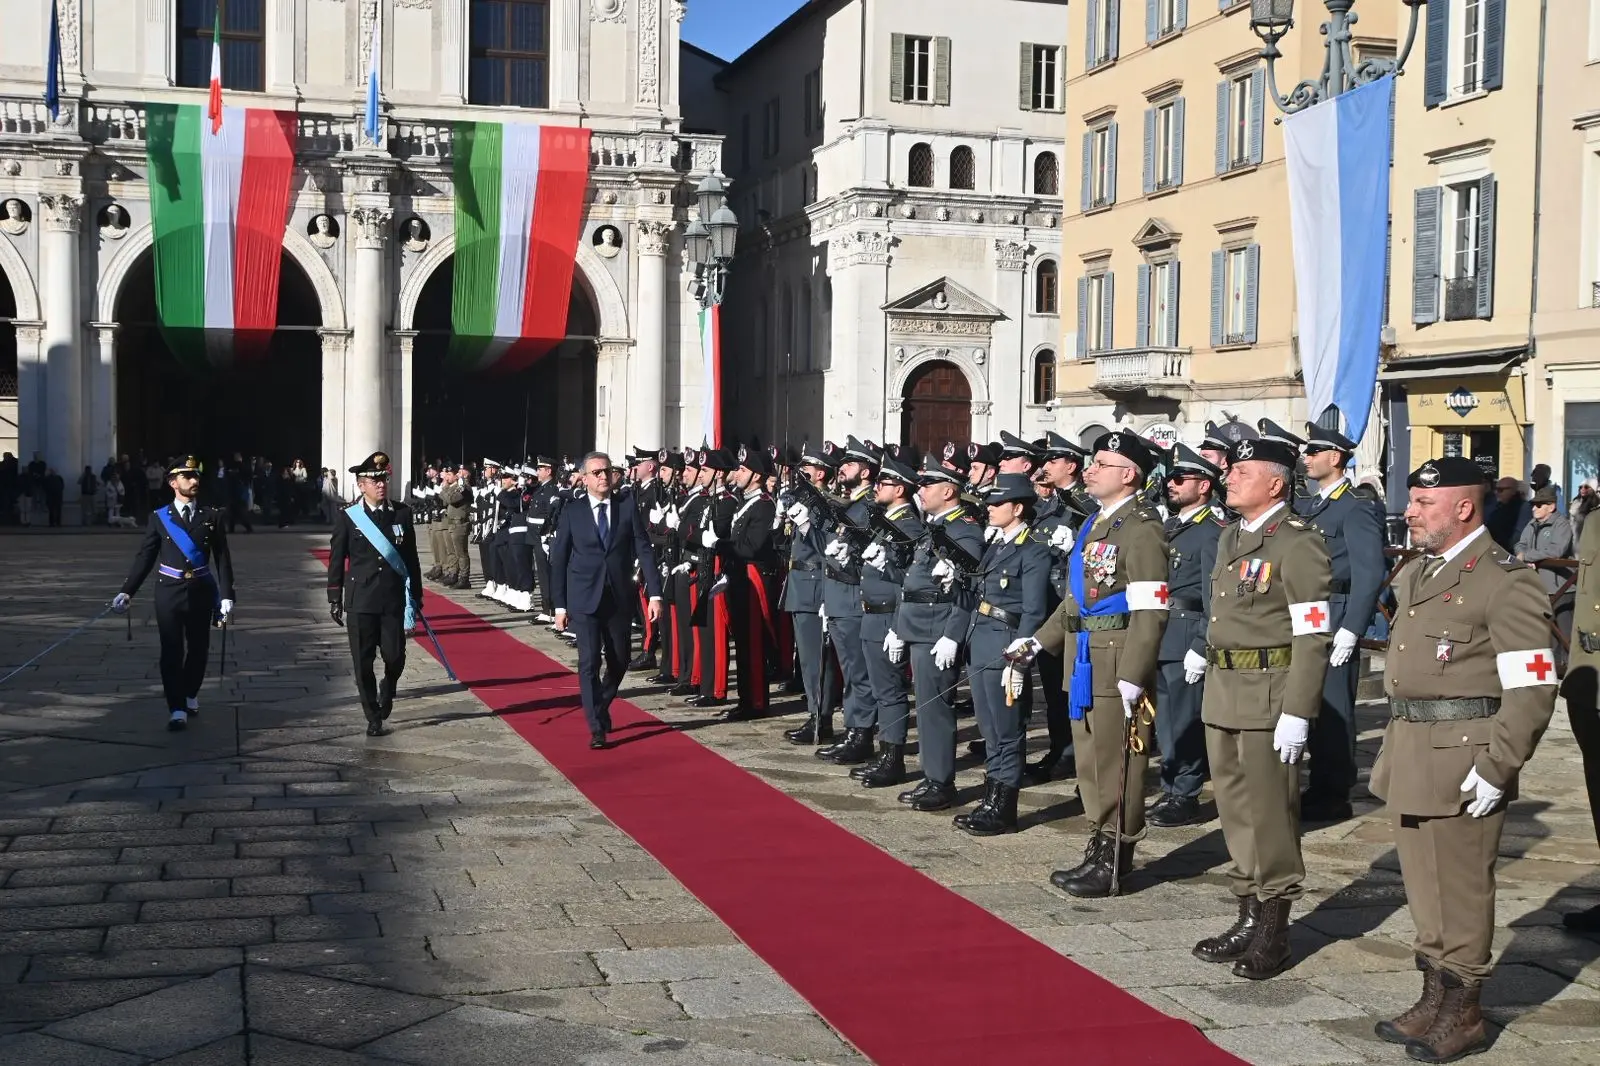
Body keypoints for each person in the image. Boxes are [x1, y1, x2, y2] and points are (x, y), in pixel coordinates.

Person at [1370, 457, 1558, 1062]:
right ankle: (1434, 994)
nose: (1411, 512)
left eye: (1424, 503)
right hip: (1411, 747)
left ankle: (1465, 1009)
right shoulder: (1419, 571)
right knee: (1424, 886)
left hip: (1464, 756)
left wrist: (1500, 765)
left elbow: (1533, 685)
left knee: (1462, 886)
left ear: (1464, 508)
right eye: (1412, 500)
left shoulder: (1504, 580)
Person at [1189, 434, 1331, 981]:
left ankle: (1275, 928)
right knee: (1234, 809)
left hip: (1269, 693)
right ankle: (1247, 912)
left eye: (1242, 472)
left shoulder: (1297, 542)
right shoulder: (1231, 535)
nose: (1229, 477)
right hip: (1224, 689)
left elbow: (1312, 634)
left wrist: (1298, 709)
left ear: (1275, 484)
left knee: (1271, 815)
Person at [1021, 432, 1169, 893]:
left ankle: (1116, 855)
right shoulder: (1097, 522)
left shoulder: (1141, 527)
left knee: (1116, 759)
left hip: (1116, 659)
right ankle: (1099, 842)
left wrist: (1135, 672)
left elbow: (1151, 608)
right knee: (1090, 759)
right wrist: (1036, 643)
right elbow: (1077, 602)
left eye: (1102, 464)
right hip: (1084, 656)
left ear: (1129, 475)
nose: (1090, 470)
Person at [1280, 419, 1387, 823]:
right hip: (1308, 613)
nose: (1306, 458)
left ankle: (1333, 791)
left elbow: (1369, 572)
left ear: (1336, 457)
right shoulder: (1312, 506)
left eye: (1314, 452)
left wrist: (1352, 628)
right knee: (1308, 699)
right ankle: (1317, 784)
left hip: (1337, 612)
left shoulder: (1354, 506)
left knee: (1333, 707)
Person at [952, 473, 1049, 836]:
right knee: (990, 729)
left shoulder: (1033, 549)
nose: (990, 509)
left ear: (1018, 508)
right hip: (981, 640)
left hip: (1005, 644)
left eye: (997, 503)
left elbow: (1035, 611)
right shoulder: (996, 543)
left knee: (1008, 730)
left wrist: (1020, 656)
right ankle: (991, 798)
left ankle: (1004, 807)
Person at [111, 456, 235, 731]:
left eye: (196, 475)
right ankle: (176, 707)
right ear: (172, 482)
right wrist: (127, 591)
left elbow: (222, 558)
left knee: (199, 649)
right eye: (187, 476)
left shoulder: (212, 516)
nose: (194, 480)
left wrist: (227, 594)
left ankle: (190, 692)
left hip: (201, 590)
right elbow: (145, 557)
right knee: (171, 649)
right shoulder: (159, 517)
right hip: (169, 591)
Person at [549, 451, 663, 749]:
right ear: (584, 478)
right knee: (589, 660)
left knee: (620, 658)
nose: (603, 477)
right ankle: (596, 728)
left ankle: (600, 702)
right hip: (583, 597)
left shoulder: (626, 506)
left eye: (606, 471)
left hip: (618, 596)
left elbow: (644, 549)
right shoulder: (572, 511)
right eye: (596, 472)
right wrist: (559, 606)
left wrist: (654, 593)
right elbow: (559, 559)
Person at [893, 455, 983, 810]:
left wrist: (953, 634)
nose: (922, 491)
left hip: (936, 628)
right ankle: (932, 775)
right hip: (919, 625)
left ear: (948, 491)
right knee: (926, 707)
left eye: (928, 485)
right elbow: (912, 581)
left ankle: (941, 781)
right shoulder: (934, 526)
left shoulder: (963, 530)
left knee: (935, 708)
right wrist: (899, 626)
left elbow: (967, 588)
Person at [1149, 443, 1227, 828]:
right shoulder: (1168, 527)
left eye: (1181, 479)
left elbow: (1214, 596)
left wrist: (1201, 642)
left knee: (1185, 719)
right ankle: (1170, 785)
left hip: (1186, 632)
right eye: (1171, 478)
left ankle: (1186, 792)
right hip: (1160, 632)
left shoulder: (1212, 533)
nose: (1172, 484)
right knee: (1164, 721)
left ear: (1205, 485)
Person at [327, 451, 423, 737]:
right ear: (361, 485)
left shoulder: (401, 513)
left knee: (395, 656)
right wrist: (335, 597)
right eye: (375, 480)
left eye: (384, 479)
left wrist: (416, 596)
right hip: (361, 599)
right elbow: (336, 559)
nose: (381, 485)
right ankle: (372, 715)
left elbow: (411, 559)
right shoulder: (348, 517)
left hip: (392, 599)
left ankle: (389, 686)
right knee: (363, 662)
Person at [852, 454, 925, 783]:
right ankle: (884, 754)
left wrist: (898, 626)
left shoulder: (907, 526)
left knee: (890, 691)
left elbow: (908, 582)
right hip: (872, 615)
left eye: (884, 483)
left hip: (888, 618)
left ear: (900, 490)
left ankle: (893, 759)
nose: (877, 487)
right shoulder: (887, 522)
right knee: (879, 689)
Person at [815, 437, 883, 767]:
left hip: (854, 599)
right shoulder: (848, 504)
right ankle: (853, 730)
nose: (842, 468)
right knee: (850, 671)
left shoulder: (869, 507)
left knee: (859, 673)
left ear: (866, 472)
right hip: (838, 598)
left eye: (850, 464)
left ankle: (862, 735)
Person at [713, 445, 782, 721]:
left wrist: (719, 544)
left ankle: (756, 701)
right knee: (742, 641)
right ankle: (746, 699)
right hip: (740, 577)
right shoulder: (745, 501)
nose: (738, 473)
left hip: (754, 578)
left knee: (753, 642)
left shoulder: (764, 505)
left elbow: (751, 546)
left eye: (743, 469)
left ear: (756, 475)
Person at [1485, 477, 1528, 553]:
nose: (1496, 493)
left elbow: (1519, 534)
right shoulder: (1497, 506)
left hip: (1508, 552)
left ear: (1513, 491)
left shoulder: (1523, 507)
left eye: (1500, 490)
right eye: (1495, 489)